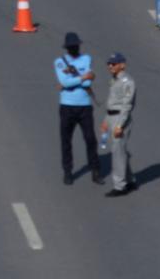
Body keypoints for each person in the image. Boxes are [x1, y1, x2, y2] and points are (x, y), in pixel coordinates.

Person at [55, 31, 100, 186]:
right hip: (67, 106)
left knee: (90, 139)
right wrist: (82, 77)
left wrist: (74, 79)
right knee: (66, 140)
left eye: (76, 46)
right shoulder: (59, 62)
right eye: (71, 46)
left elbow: (86, 83)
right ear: (67, 48)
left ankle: (95, 169)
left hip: (84, 106)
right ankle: (67, 171)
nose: (74, 48)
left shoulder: (86, 58)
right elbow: (64, 82)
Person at [102, 52, 137, 196]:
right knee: (120, 151)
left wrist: (119, 125)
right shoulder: (114, 79)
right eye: (109, 63)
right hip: (111, 117)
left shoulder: (127, 82)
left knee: (117, 153)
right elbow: (112, 101)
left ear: (122, 65)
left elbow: (127, 105)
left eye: (114, 63)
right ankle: (130, 180)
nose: (110, 66)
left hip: (119, 119)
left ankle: (120, 186)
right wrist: (106, 120)